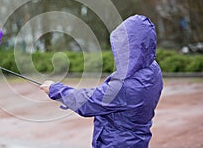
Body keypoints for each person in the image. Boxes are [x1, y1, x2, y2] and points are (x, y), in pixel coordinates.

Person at [40, 15, 163, 148]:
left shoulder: (126, 87)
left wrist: (54, 89)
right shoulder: (153, 69)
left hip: (117, 143)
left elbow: (88, 103)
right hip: (137, 141)